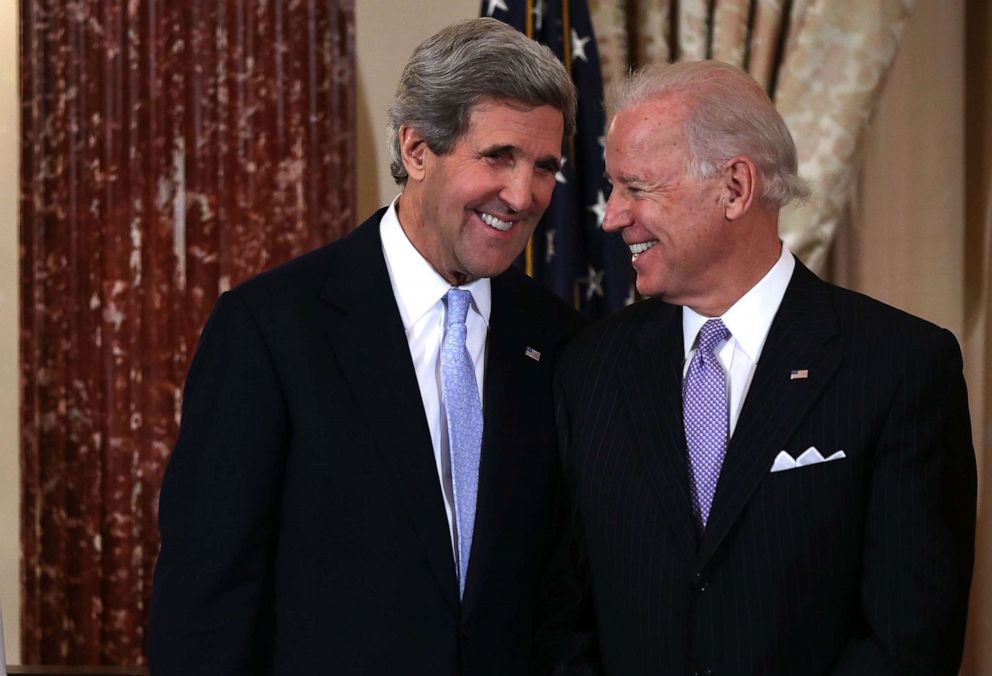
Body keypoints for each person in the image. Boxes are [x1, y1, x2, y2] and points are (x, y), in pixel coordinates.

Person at [149, 17, 583, 675]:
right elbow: (206, 598)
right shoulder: (270, 329)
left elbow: (564, 595)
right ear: (415, 149)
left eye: (544, 167)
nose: (523, 196)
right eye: (497, 156)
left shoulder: (560, 341)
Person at [552, 61, 976, 675]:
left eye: (637, 189)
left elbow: (909, 640)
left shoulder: (899, 367)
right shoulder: (588, 369)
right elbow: (562, 619)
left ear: (735, 187)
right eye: (614, 187)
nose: (613, 216)